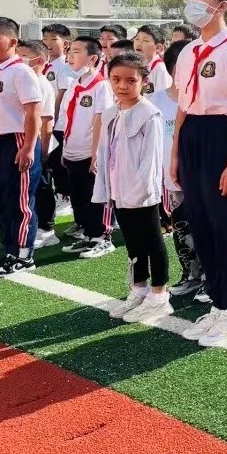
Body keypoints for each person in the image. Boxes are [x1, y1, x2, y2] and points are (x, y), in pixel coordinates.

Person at [172, 0, 227, 348]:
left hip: (222, 135)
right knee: (202, 225)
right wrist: (175, 152)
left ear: (222, 5)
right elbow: (182, 106)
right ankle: (219, 303)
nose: (193, 1)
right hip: (192, 134)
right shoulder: (189, 52)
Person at [93, 52, 174, 324]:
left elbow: (151, 159)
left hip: (141, 193)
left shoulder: (149, 115)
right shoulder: (111, 113)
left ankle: (159, 295)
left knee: (153, 240)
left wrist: (140, 191)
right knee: (132, 242)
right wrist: (107, 186)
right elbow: (106, 152)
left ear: (144, 82)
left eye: (131, 80)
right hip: (118, 189)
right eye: (116, 79)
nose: (122, 86)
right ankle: (139, 289)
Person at [0, 17, 44, 276]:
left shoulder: (21, 72)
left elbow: (33, 113)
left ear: (13, 41)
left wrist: (28, 147)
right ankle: (9, 251)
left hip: (15, 141)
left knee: (19, 200)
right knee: (0, 200)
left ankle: (24, 255)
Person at [151, 40, 203, 298]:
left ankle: (209, 276)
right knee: (181, 227)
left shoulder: (200, 99)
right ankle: (190, 273)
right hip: (172, 179)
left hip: (199, 176)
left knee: (204, 226)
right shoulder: (157, 100)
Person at [58, 37, 116, 259]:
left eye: (76, 51)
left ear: (92, 58)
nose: (70, 56)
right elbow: (68, 118)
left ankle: (102, 238)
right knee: (79, 197)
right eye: (69, 51)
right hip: (73, 150)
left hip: (89, 153)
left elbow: (101, 120)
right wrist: (65, 148)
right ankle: (88, 234)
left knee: (96, 197)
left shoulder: (101, 86)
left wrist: (96, 154)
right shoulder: (75, 84)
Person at [17, 40, 59, 249]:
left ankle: (47, 228)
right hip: (26, 142)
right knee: (30, 188)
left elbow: (46, 120)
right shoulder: (24, 80)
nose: (19, 60)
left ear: (39, 60)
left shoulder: (42, 84)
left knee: (43, 186)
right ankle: (33, 224)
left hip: (40, 143)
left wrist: (43, 150)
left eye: (24, 56)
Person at [134, 25, 172, 95]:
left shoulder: (160, 69)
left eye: (145, 40)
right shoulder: (134, 65)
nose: (139, 43)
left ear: (158, 47)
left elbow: (163, 97)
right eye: (137, 39)